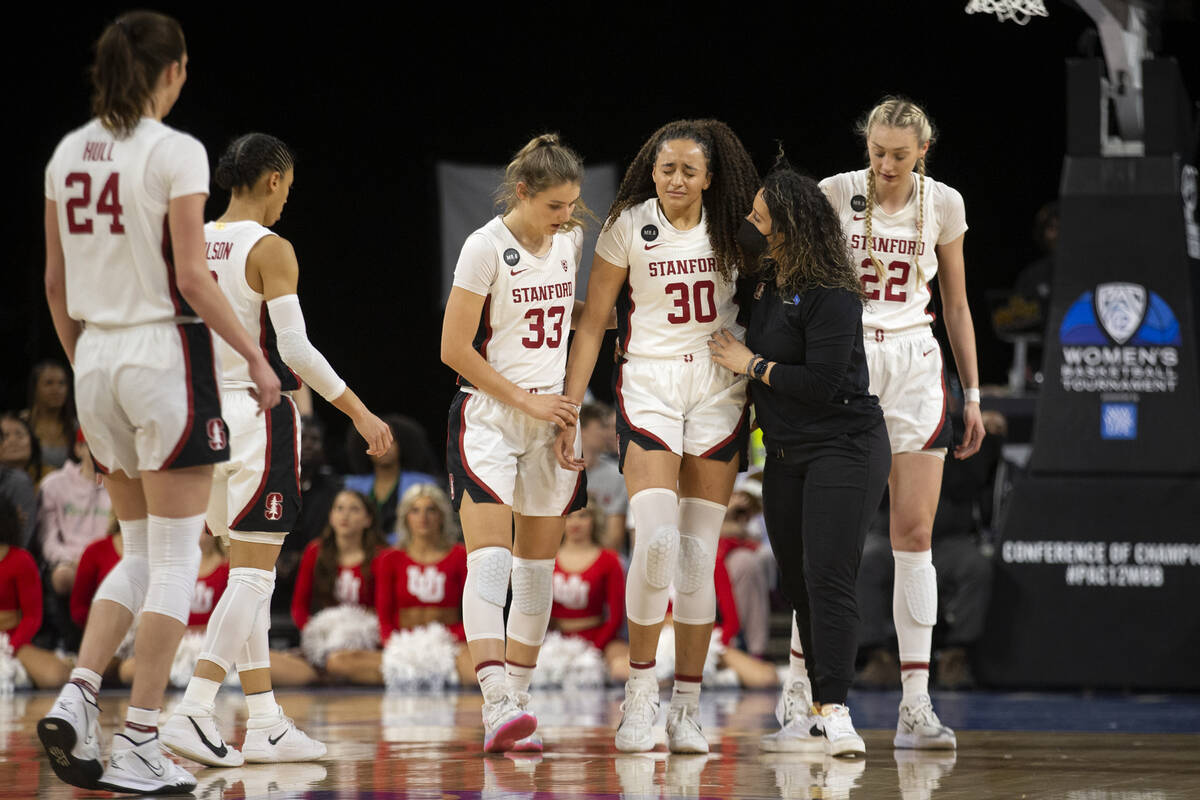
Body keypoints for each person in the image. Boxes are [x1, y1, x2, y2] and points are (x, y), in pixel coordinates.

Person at [37, 11, 281, 794]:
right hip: (159, 353)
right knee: (179, 558)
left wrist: (87, 370)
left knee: (140, 554)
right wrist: (253, 356)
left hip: (94, 357)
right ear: (170, 71)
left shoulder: (66, 152)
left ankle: (79, 695)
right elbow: (190, 274)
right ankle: (142, 737)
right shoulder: (175, 151)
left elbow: (53, 284)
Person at [159, 131, 390, 768]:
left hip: (195, 420)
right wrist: (359, 410)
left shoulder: (189, 240)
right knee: (255, 575)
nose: (289, 196)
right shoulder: (270, 247)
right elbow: (293, 350)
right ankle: (195, 708)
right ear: (273, 180)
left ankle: (263, 720)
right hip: (258, 416)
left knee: (245, 580)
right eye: (289, 184)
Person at [773, 96, 985, 752]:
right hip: (849, 361)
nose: (885, 165)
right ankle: (801, 686)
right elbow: (786, 269)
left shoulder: (944, 203)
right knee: (830, 535)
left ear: (923, 150)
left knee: (914, 533)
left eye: (898, 154)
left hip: (917, 366)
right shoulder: (835, 193)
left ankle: (916, 706)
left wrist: (971, 393)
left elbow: (955, 302)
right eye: (876, 152)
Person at [556, 119, 759, 754]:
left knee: (699, 556)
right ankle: (639, 697)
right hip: (648, 383)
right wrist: (570, 402)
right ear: (653, 170)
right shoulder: (627, 226)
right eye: (666, 168)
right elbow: (593, 325)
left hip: (718, 386)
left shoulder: (736, 230)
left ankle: (688, 709)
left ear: (709, 177)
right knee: (657, 542)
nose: (675, 179)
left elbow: (776, 299)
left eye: (688, 170)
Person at [709, 160, 890, 756]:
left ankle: (838, 711)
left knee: (828, 574)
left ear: (788, 226)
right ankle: (816, 705)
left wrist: (751, 365)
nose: (750, 225)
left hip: (845, 445)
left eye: (760, 218)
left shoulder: (832, 292)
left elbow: (823, 381)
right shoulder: (763, 280)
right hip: (786, 456)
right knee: (797, 583)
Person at [440, 133, 589, 753]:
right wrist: (526, 400)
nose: (567, 217)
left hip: (549, 420)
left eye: (573, 205)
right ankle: (495, 698)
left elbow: (565, 321)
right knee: (492, 562)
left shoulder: (571, 242)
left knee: (534, 574)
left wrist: (566, 413)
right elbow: (452, 350)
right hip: (491, 419)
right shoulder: (484, 247)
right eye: (556, 206)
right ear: (523, 192)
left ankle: (518, 705)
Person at [373, 484, 473, 687]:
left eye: (431, 510)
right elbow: (384, 616)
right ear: (405, 517)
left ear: (442, 516)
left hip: (450, 645)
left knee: (477, 671)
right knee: (341, 662)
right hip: (403, 646)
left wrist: (446, 640)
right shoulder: (389, 558)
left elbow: (472, 615)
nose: (423, 517)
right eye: (415, 510)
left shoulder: (460, 555)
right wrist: (393, 645)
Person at [292, 489, 387, 676]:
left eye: (354, 509)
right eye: (339, 508)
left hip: (366, 637)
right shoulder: (314, 552)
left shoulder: (381, 557)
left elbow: (384, 611)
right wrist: (314, 636)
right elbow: (299, 608)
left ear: (368, 520)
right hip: (326, 636)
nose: (345, 515)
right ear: (331, 516)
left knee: (342, 662)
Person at [36, 429, 112, 650]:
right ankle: (69, 644)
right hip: (67, 561)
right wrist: (75, 559)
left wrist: (96, 561)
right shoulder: (53, 484)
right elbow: (47, 538)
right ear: (79, 449)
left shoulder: (120, 483)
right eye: (93, 444)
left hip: (106, 560)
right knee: (63, 576)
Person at [549, 498, 628, 681]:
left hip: (598, 637)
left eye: (582, 516)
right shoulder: (547, 558)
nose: (575, 523)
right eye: (569, 517)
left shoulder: (609, 560)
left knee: (622, 667)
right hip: (556, 640)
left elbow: (616, 618)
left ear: (594, 520)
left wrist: (593, 649)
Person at [0, 495, 72, 689]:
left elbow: (32, 617)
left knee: (55, 676)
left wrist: (10, 649)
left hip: (11, 641)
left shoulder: (21, 560)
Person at [344, 414, 441, 536]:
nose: (384, 445)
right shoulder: (351, 486)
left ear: (403, 445)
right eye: (375, 440)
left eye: (391, 440)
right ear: (364, 446)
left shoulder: (424, 484)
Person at [21, 361, 77, 473]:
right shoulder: (22, 424)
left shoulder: (76, 427)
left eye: (62, 383)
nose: (57, 389)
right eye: (49, 383)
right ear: (35, 388)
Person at [0, 414, 43, 487]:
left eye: (20, 435)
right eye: (5, 437)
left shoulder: (51, 477)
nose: (13, 441)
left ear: (32, 442)